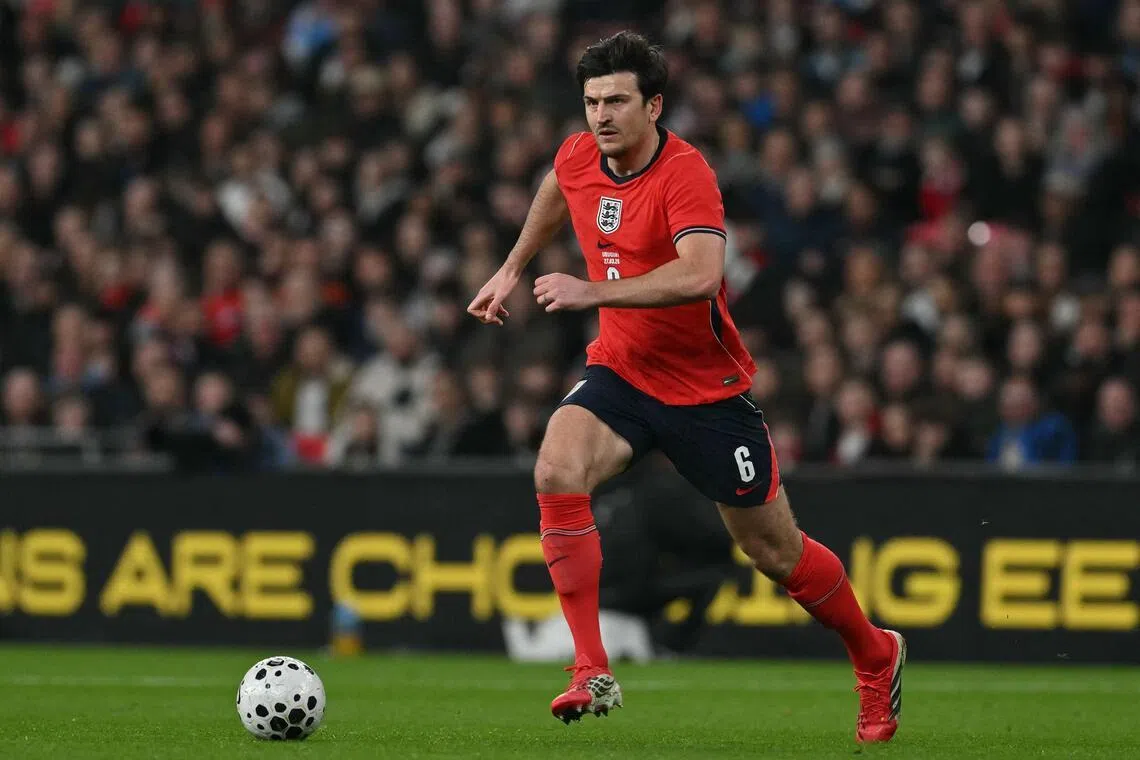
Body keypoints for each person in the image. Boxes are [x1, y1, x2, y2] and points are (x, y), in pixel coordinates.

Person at [467, 32, 905, 744]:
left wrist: (592, 287)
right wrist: (511, 269)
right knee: (556, 466)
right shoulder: (582, 153)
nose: (601, 115)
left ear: (654, 104)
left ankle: (874, 653)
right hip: (622, 373)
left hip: (706, 393)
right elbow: (557, 183)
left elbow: (701, 274)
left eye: (616, 100)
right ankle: (590, 667)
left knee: (775, 554)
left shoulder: (685, 174)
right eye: (591, 101)